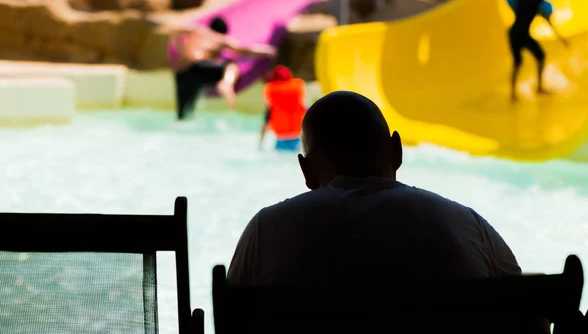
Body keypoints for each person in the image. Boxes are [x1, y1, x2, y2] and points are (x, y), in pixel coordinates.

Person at [228, 91, 547, 332]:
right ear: (396, 151)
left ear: (306, 171)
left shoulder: (266, 230)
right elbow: (521, 307)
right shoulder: (467, 224)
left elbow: (232, 320)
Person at [168, 16, 276, 120]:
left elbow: (175, 30)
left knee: (183, 114)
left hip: (182, 72)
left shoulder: (196, 30)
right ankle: (226, 83)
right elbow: (242, 50)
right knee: (231, 65)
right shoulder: (219, 37)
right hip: (201, 66)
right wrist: (267, 51)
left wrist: (181, 51)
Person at [505, 0, 568, 102]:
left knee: (534, 58)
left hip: (517, 33)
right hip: (518, 34)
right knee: (521, 61)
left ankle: (521, 91)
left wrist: (560, 37)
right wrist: (560, 37)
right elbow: (548, 20)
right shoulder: (539, 2)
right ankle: (519, 92)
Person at [259, 65, 307, 151]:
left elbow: (266, 121)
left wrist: (260, 143)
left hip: (281, 138)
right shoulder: (297, 90)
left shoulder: (272, 92)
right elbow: (306, 111)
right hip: (297, 137)